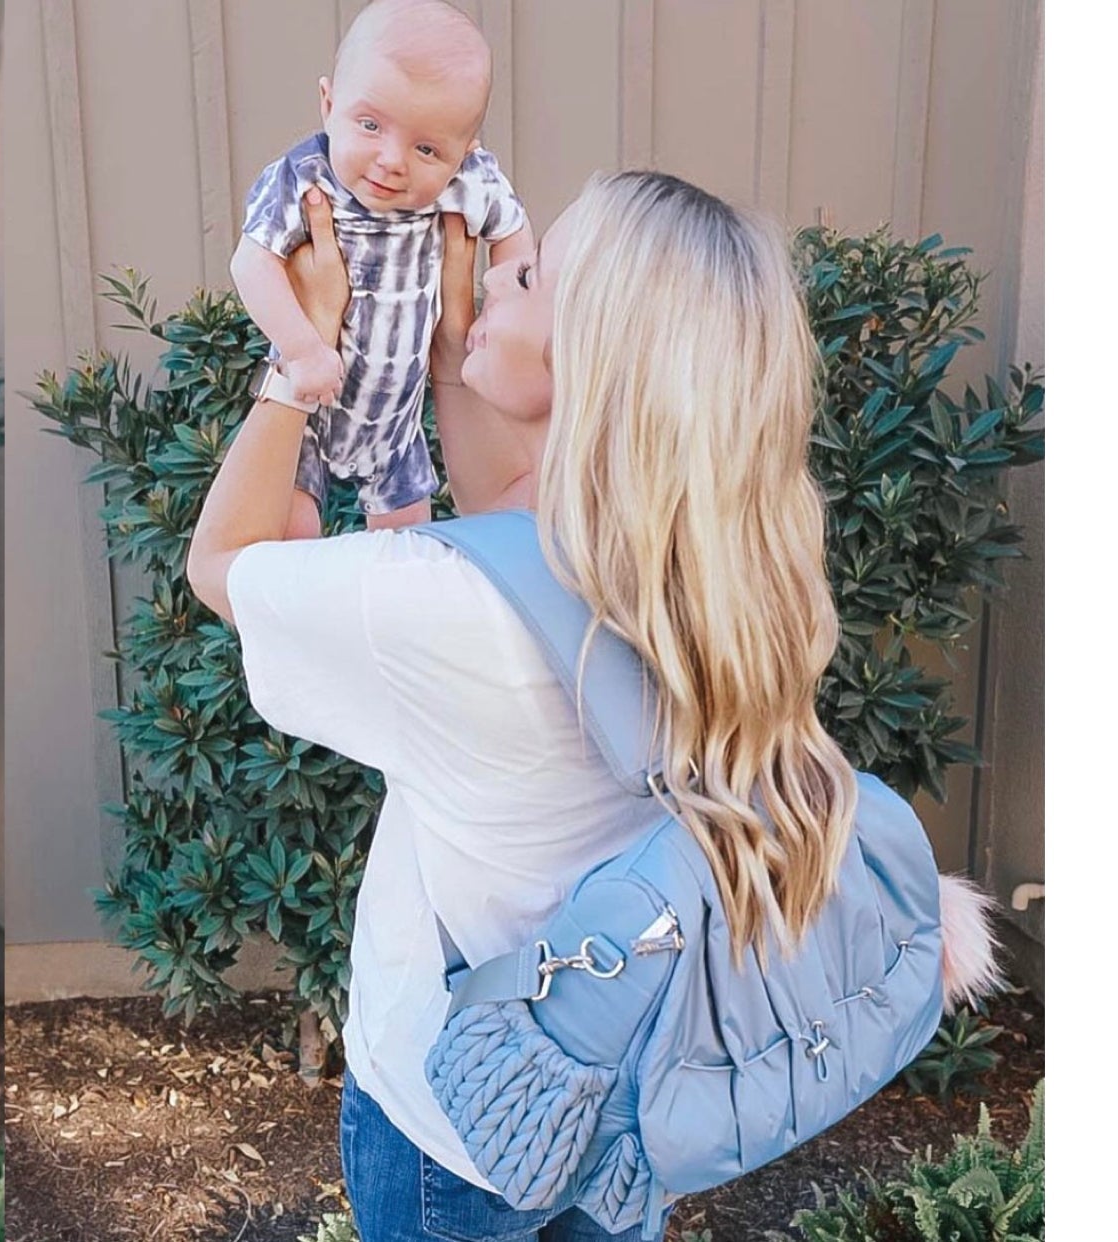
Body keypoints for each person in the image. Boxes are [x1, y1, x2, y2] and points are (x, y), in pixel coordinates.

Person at [189, 172, 857, 1239]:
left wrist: (301, 359)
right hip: (633, 1086)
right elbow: (510, 518)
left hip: (462, 1119)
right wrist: (468, 344)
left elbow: (223, 563)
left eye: (531, 272)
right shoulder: (737, 568)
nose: (501, 265)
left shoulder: (441, 605)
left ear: (587, 356)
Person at [230, 0, 532, 540]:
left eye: (426, 148)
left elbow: (513, 234)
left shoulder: (468, 182)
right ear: (328, 104)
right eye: (369, 124)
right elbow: (252, 263)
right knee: (293, 537)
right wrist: (301, 349)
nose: (392, 160)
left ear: (466, 153)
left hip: (395, 421)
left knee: (404, 540)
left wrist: (502, 312)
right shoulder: (304, 178)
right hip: (310, 406)